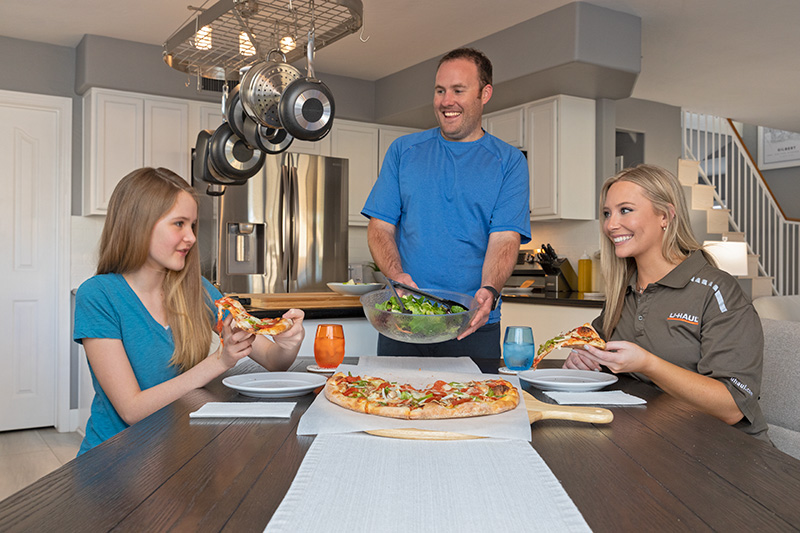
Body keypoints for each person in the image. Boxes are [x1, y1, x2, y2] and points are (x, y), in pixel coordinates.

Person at [73, 168, 304, 455]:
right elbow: (132, 410)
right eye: (179, 224)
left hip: (176, 450)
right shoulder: (98, 295)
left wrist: (288, 343)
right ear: (139, 224)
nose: (192, 237)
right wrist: (221, 360)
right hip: (113, 458)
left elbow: (273, 361)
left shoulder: (199, 290)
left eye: (192, 225)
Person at [564, 164, 769, 442]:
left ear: (665, 216)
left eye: (625, 210)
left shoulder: (716, 290)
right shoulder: (624, 290)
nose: (611, 225)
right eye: (607, 213)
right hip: (657, 436)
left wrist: (647, 364)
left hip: (726, 449)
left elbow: (732, 407)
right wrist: (585, 360)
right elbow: (601, 354)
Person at [361, 47, 531, 358]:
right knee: (384, 392)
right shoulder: (403, 151)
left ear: (485, 93)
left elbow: (505, 239)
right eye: (440, 90)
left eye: (458, 90)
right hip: (404, 317)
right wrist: (397, 276)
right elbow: (380, 227)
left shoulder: (509, 162)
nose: (446, 101)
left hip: (473, 322)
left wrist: (489, 289)